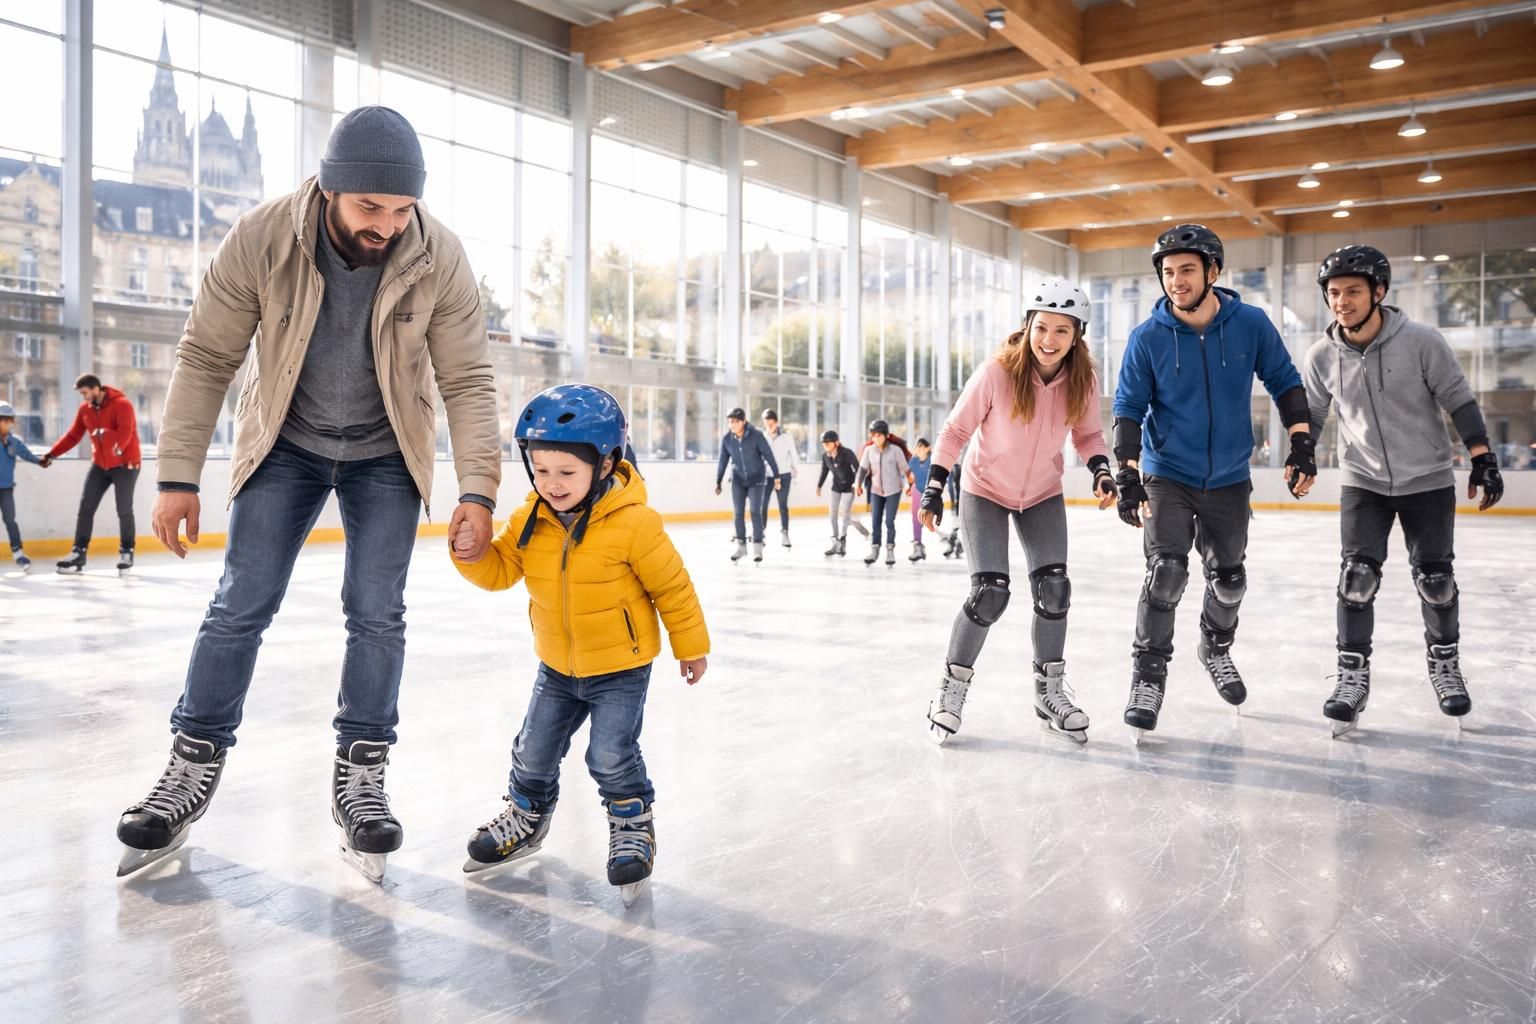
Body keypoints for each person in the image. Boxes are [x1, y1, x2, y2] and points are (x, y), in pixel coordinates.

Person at [114, 106, 503, 881]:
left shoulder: (441, 255)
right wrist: (178, 476)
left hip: (388, 450)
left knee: (377, 609)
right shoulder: (261, 236)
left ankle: (361, 775)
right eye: (370, 208)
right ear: (330, 188)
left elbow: (467, 379)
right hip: (283, 443)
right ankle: (191, 764)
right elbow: (204, 356)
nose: (388, 226)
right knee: (241, 602)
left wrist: (480, 488)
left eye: (402, 210)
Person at [452, 384, 709, 907]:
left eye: (567, 473)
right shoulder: (531, 518)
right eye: (542, 471)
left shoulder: (636, 523)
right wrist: (471, 553)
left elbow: (673, 588)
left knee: (611, 754)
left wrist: (691, 646)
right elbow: (501, 571)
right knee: (533, 749)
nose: (553, 484)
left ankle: (632, 823)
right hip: (556, 666)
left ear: (606, 463)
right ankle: (527, 815)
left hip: (622, 667)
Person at [1112, 223, 1316, 740]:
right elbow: (1128, 410)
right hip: (1167, 474)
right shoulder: (1147, 338)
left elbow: (1286, 383)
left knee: (1230, 580)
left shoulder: (1250, 324)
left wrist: (1302, 444)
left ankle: (1216, 648)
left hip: (1228, 477)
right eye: (1167, 272)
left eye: (1186, 270)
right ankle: (1148, 677)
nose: (1175, 281)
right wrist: (1128, 475)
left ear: (1213, 272)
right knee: (1167, 573)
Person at [1303, 245, 1504, 736]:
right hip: (1363, 482)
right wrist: (1301, 454)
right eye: (1333, 293)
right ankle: (1351, 678)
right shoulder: (1321, 355)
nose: (1342, 302)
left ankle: (1445, 665)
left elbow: (1459, 399)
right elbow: (1311, 415)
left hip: (1428, 480)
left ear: (1379, 292)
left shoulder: (1420, 342)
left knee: (1436, 581)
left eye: (1352, 291)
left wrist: (1483, 459)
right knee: (1357, 579)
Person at [921, 281, 1117, 745]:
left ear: (1077, 336)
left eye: (1062, 331)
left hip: (1042, 493)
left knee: (1054, 591)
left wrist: (1102, 471)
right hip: (984, 489)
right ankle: (950, 690)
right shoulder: (997, 373)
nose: (1049, 339)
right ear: (1027, 326)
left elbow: (1088, 437)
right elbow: (953, 432)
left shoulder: (1083, 381)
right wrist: (933, 488)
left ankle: (1049, 693)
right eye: (1042, 327)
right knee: (990, 593)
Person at [41, 374, 141, 574]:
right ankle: (79, 553)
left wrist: (114, 444)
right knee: (86, 508)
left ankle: (127, 552)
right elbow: (73, 435)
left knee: (124, 510)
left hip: (125, 464)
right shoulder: (85, 410)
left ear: (96, 389)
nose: (84, 397)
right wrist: (52, 453)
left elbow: (126, 432)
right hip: (100, 465)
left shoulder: (122, 404)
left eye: (85, 393)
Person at [715, 407, 781, 563]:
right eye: (730, 422)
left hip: (757, 479)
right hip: (738, 479)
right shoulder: (727, 440)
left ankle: (757, 549)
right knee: (738, 514)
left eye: (735, 422)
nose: (732, 425)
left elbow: (768, 454)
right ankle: (741, 548)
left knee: (754, 512)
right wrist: (718, 479)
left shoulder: (756, 436)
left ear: (743, 421)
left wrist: (777, 474)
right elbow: (723, 460)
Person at [856, 420, 913, 567]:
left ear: (886, 435)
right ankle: (874, 550)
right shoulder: (869, 451)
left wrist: (909, 485)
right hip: (876, 491)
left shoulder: (895, 450)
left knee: (889, 521)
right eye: (873, 435)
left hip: (893, 490)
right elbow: (862, 470)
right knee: (875, 522)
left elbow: (905, 470)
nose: (876, 438)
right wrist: (858, 484)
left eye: (879, 435)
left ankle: (890, 550)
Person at [1, 401, 45, 572]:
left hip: (6, 488)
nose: (8, 424)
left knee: (10, 520)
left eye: (10, 420)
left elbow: (26, 454)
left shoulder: (13, 442)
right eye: (5, 420)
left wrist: (41, 460)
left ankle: (18, 553)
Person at [816, 429, 859, 557]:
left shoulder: (847, 453)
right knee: (832, 513)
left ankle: (842, 540)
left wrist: (857, 484)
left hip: (849, 487)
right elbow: (824, 471)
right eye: (824, 444)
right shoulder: (825, 456)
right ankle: (835, 541)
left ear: (836, 443)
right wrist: (819, 486)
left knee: (845, 513)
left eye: (828, 444)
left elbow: (858, 468)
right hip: (836, 487)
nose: (826, 446)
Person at [761, 409, 799, 548]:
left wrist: (794, 467)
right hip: (767, 476)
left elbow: (793, 454)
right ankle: (761, 533)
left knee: (782, 505)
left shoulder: (786, 437)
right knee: (762, 505)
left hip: (783, 475)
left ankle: (785, 533)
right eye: (767, 424)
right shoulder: (762, 437)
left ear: (776, 423)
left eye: (771, 424)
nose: (769, 427)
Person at [906, 438, 933, 562]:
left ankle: (952, 539)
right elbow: (909, 476)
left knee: (926, 520)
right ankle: (917, 545)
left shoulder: (933, 461)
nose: (919, 448)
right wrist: (908, 487)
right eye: (917, 446)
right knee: (915, 519)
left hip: (930, 493)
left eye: (922, 446)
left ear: (928, 448)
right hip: (917, 491)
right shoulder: (914, 461)